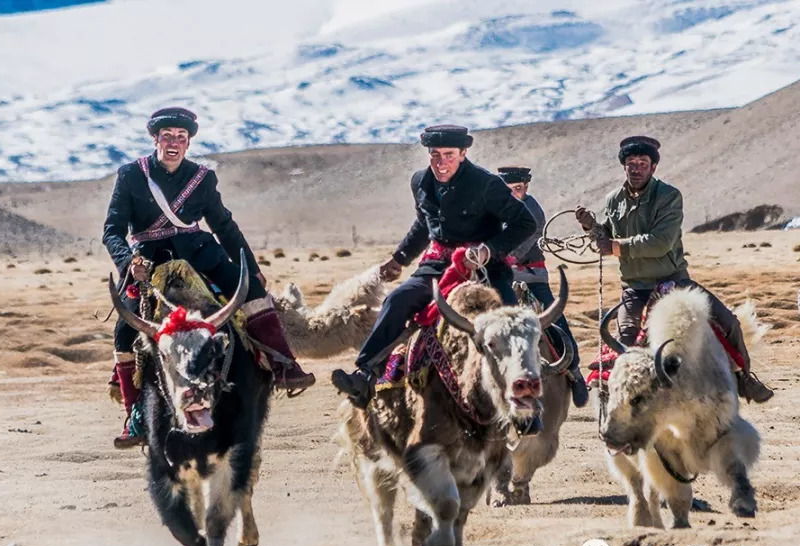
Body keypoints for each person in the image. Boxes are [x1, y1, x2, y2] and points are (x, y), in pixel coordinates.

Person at [103, 107, 316, 448]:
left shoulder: (202, 178)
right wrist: (129, 262)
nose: (174, 143)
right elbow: (112, 229)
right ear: (155, 139)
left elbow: (223, 225)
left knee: (252, 290)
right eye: (168, 136)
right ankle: (135, 416)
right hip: (148, 261)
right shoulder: (131, 175)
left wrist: (249, 262)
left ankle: (283, 365)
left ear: (188, 143)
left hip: (201, 253)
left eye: (181, 138)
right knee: (124, 328)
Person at [331, 125, 537, 408]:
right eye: (435, 155)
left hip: (484, 268)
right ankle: (366, 374)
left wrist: (488, 249)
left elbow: (525, 223)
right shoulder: (420, 182)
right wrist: (399, 258)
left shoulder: (487, 184)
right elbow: (423, 225)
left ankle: (529, 399)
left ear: (463, 154)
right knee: (397, 300)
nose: (441, 163)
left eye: (449, 155)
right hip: (437, 265)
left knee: (510, 319)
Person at [575, 136, 773, 403]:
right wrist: (591, 228)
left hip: (673, 281)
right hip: (635, 288)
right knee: (624, 339)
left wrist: (614, 246)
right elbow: (606, 237)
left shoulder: (668, 196)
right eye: (631, 163)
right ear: (624, 166)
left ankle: (743, 377)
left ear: (653, 167)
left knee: (728, 322)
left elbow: (661, 242)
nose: (636, 168)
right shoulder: (614, 200)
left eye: (642, 163)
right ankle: (618, 397)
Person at [499, 166, 589, 408]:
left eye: (517, 189)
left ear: (526, 187)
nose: (513, 194)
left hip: (531, 276)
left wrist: (495, 256)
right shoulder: (496, 207)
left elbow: (517, 248)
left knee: (554, 317)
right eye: (508, 190)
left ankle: (575, 372)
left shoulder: (533, 212)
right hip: (500, 274)